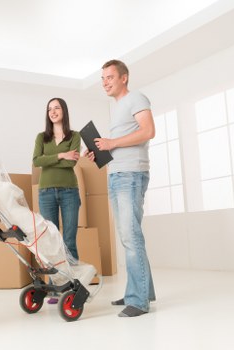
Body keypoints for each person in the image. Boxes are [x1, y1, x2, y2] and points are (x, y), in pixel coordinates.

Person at [87, 59, 156, 317]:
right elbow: (119, 144)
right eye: (103, 78)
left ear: (124, 78)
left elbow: (148, 131)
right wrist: (101, 151)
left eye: (110, 77)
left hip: (131, 174)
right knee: (130, 234)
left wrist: (112, 142)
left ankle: (138, 300)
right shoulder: (116, 108)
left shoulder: (136, 98)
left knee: (130, 236)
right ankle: (142, 292)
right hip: (116, 173)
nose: (105, 82)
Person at [32, 97, 81, 304]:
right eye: (50, 109)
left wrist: (50, 161)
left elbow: (72, 165)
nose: (53, 112)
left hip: (69, 190)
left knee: (69, 240)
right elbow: (36, 161)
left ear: (64, 111)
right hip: (46, 192)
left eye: (57, 108)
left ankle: (74, 287)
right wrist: (61, 155)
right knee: (51, 242)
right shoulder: (41, 137)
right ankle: (55, 287)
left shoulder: (75, 136)